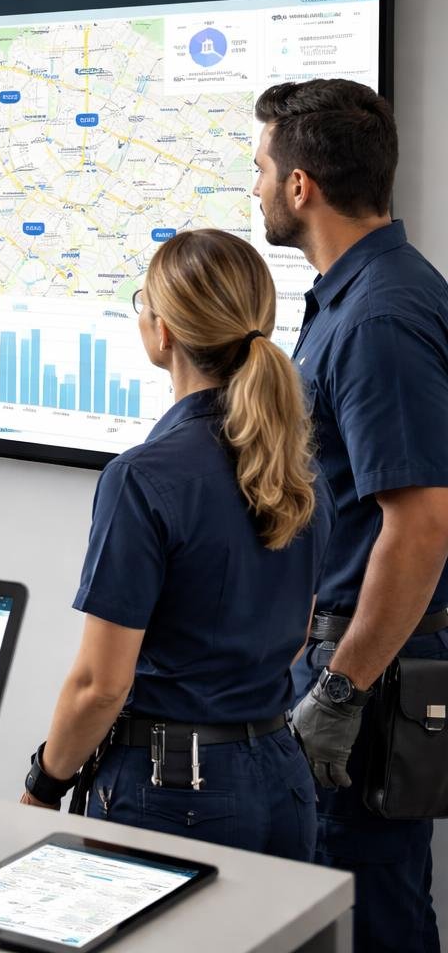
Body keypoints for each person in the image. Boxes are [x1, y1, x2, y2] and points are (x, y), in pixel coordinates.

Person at [20, 229, 332, 863]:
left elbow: (99, 686)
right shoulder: (297, 469)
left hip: (173, 790)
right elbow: (297, 633)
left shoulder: (142, 477)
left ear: (163, 334)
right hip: (282, 776)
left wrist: (44, 783)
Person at [263, 79, 448, 951]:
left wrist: (341, 688)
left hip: (365, 668)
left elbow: (420, 524)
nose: (255, 186)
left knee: (364, 909)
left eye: (261, 168)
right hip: (341, 651)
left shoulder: (378, 316)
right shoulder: (356, 292)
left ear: (301, 186)